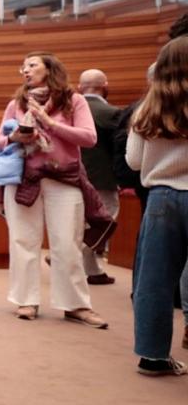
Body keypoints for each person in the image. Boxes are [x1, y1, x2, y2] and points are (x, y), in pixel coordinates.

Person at [0, 52, 108, 328]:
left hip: (64, 178)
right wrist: (13, 137)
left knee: (67, 243)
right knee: (22, 241)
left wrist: (50, 123)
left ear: (50, 69)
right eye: (23, 66)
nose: (26, 69)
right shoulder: (16, 104)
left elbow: (89, 138)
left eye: (32, 64)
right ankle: (26, 300)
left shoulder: (74, 100)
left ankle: (75, 305)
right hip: (24, 178)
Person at [126, 36, 188, 376]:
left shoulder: (146, 108)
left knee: (155, 279)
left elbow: (134, 162)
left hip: (161, 198)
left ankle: (152, 356)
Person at [77, 68, 123, 285]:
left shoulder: (67, 110)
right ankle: (72, 253)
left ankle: (93, 270)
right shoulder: (112, 113)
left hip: (71, 175)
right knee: (106, 220)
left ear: (80, 87)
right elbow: (120, 149)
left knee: (81, 223)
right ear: (105, 86)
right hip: (102, 177)